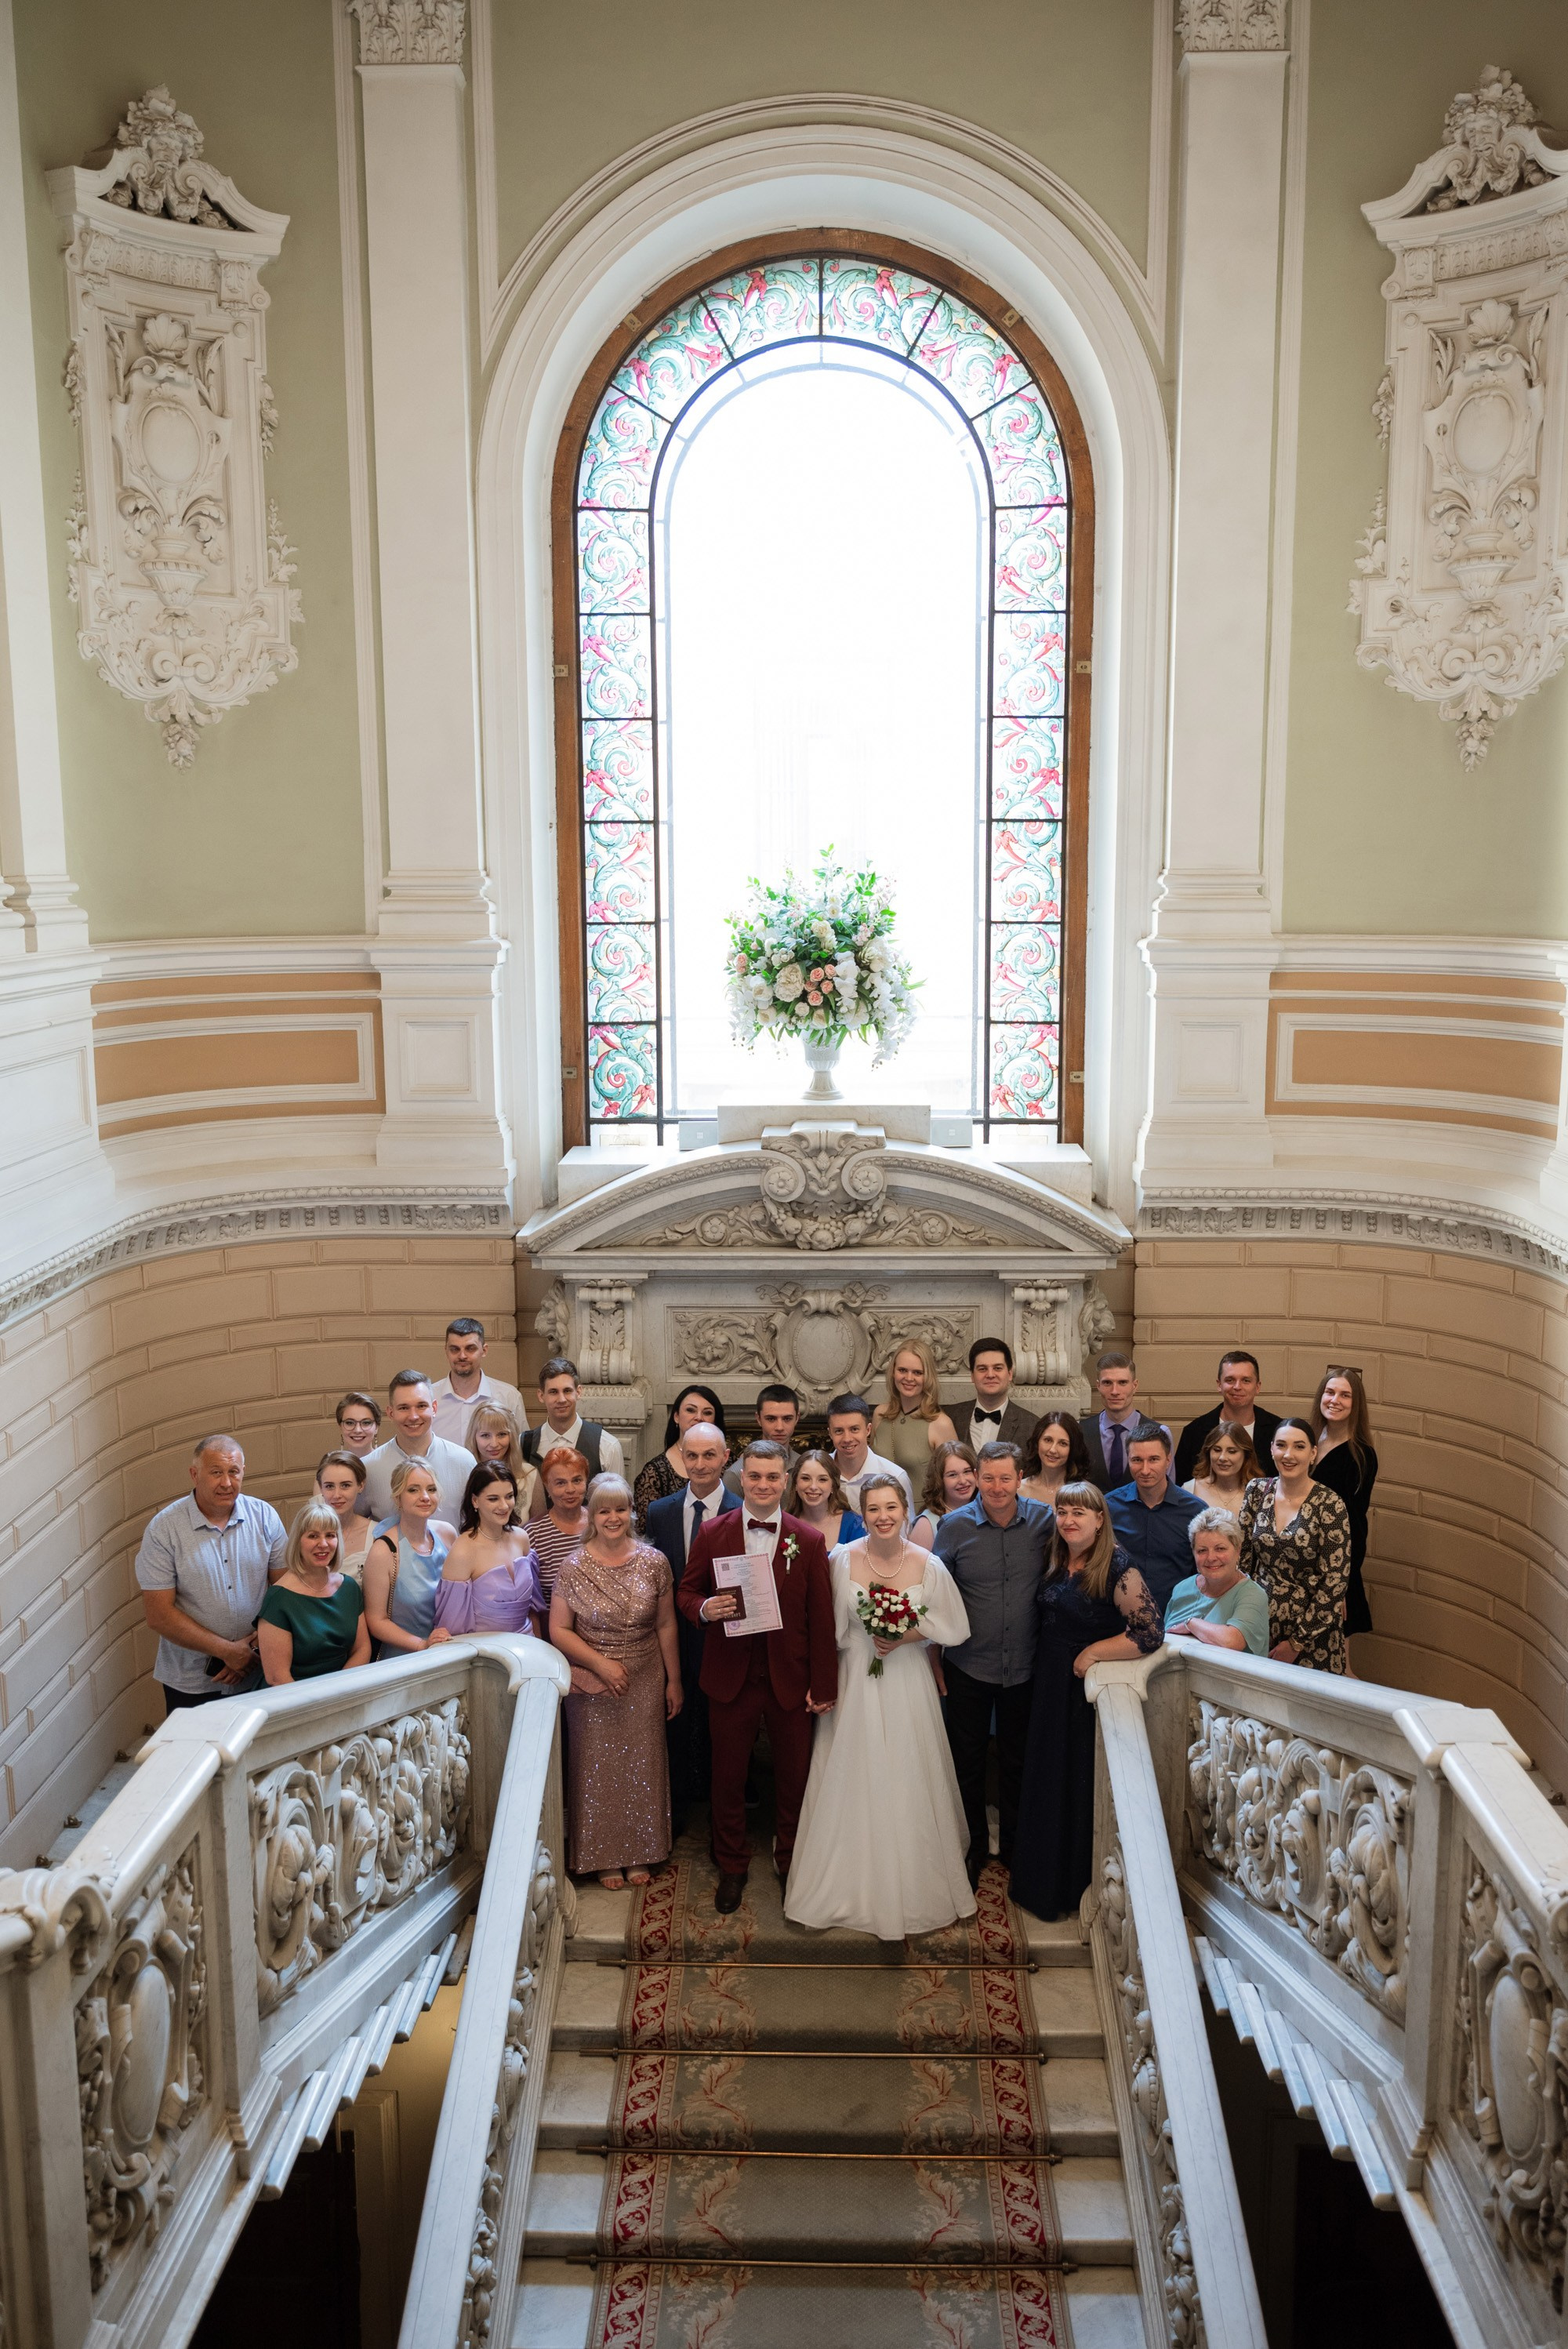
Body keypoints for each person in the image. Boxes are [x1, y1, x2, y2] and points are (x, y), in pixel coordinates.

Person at [786, 1475, 975, 1937]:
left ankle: (914, 1881)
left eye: (891, 1507)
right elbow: (826, 1628)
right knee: (854, 1771)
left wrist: (906, 1635)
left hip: (908, 1680)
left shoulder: (929, 1564)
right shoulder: (841, 1559)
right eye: (873, 1509)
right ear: (862, 1514)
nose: (883, 1517)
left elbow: (955, 1626)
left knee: (907, 1771)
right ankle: (845, 1881)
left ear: (905, 1510)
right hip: (855, 1679)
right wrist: (824, 1679)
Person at [679, 1440, 837, 1913]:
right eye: (755, 1476)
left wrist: (823, 1685)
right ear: (741, 1479)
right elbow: (686, 1592)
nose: (763, 1485)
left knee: (794, 1778)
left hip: (790, 1678)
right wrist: (705, 1608)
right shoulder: (713, 1532)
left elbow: (821, 1619)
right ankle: (732, 1863)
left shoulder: (808, 1541)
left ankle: (790, 1861)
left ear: (785, 1482)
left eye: (772, 1477)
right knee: (727, 1778)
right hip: (731, 1676)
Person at [1008, 1483, 1163, 1922]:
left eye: (1079, 1512)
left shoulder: (1117, 1564)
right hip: (1048, 1683)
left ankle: (1071, 1888)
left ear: (1099, 1519)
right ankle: (1039, 1884)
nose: (1069, 1520)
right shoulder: (1057, 1556)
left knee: (1073, 1783)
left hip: (1083, 1691)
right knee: (1046, 1778)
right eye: (1062, 1512)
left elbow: (1149, 1632)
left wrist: (1094, 1652)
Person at [551, 1476, 682, 1889]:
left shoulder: (654, 1561)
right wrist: (600, 1665)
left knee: (642, 1764)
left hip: (646, 1675)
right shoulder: (573, 1566)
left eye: (621, 1509)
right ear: (591, 1515)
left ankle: (641, 1851)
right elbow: (559, 1630)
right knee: (598, 1767)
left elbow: (666, 1624)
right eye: (604, 1510)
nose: (613, 1518)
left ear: (632, 1513)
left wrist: (674, 1681)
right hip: (592, 1681)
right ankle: (604, 1856)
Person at [932, 1442, 1053, 1886]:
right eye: (988, 1478)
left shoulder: (1045, 1522)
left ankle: (1019, 1849)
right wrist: (934, 1660)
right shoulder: (953, 1527)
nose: (997, 1487)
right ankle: (973, 1848)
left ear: (1020, 1478)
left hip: (1025, 1666)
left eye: (1005, 1478)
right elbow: (936, 1598)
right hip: (968, 1665)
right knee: (967, 1762)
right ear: (976, 1478)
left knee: (1018, 1762)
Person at [136, 1435, 286, 1712]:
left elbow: (286, 1594)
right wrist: (226, 1652)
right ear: (195, 1475)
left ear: (243, 1472)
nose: (226, 1483)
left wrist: (250, 1650)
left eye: (234, 1472)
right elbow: (159, 1614)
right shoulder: (164, 1530)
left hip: (258, 1672)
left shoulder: (265, 1516)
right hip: (191, 1683)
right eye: (216, 1472)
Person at [645, 1423, 741, 1836]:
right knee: (676, 1724)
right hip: (673, 1636)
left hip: (725, 1636)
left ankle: (724, 1820)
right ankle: (676, 1814)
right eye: (692, 1455)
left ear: (725, 1458)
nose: (700, 1464)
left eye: (709, 1455)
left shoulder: (742, 1510)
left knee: (724, 1731)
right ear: (682, 1458)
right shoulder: (660, 1512)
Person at [1239, 1419, 1352, 1675]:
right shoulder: (1256, 1491)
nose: (1288, 1454)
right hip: (1259, 1624)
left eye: (1299, 1447)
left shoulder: (1330, 1504)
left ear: (1313, 1453)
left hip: (1314, 1636)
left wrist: (1296, 1643)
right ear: (1271, 1449)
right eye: (1281, 1445)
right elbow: (1241, 1560)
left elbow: (1335, 1582)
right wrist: (1243, 1617)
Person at [257, 1501, 371, 1683]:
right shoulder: (278, 1599)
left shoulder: (349, 1587)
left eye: (330, 1535)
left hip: (344, 1687)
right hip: (293, 1694)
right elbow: (277, 1678)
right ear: (298, 1541)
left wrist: (339, 1690)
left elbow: (362, 1649)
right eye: (313, 1536)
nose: (323, 1544)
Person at [430, 1462, 543, 1639]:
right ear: (475, 1501)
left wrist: (539, 1644)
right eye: (493, 1499)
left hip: (528, 1641)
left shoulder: (522, 1538)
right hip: (483, 1649)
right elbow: (452, 1628)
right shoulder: (462, 1552)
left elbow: (533, 1608)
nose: (504, 1506)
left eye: (509, 1496)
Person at [1106, 1423, 1205, 1613]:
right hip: (1119, 1618)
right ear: (1128, 1459)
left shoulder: (1196, 1511)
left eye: (1153, 1459)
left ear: (1168, 1460)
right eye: (1137, 1460)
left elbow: (1203, 1573)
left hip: (1177, 1617)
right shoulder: (1109, 1507)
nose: (1145, 1470)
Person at [1310, 1366, 1377, 1639]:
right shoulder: (1308, 1440)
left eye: (1345, 1395)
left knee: (1337, 1659)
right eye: (1330, 1392)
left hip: (1334, 1569)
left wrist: (1341, 1586)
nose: (1335, 1400)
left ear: (1356, 1403)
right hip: (1301, 1560)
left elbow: (1355, 1526)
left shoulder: (1362, 1456)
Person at [362, 1460, 457, 1654]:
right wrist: (422, 1645)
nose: (425, 1497)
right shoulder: (383, 1551)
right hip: (406, 1656)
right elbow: (376, 1621)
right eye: (413, 1490)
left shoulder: (447, 1534)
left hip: (450, 1648)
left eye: (431, 1489)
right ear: (398, 1498)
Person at [361, 1371, 476, 1525]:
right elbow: (352, 1527)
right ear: (391, 1413)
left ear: (434, 1408)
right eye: (404, 1408)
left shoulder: (464, 1462)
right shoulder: (368, 1468)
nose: (413, 1416)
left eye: (421, 1406)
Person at [1163, 1510, 1269, 1655]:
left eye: (1220, 1549)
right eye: (1202, 1551)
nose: (1211, 1558)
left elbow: (1232, 1641)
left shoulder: (1254, 1595)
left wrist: (1191, 1624)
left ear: (1238, 1550)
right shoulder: (1182, 1588)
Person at [1173, 1351, 1284, 1487]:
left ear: (1257, 1387)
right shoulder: (1194, 1432)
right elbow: (1180, 1487)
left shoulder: (1279, 1431)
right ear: (1219, 1385)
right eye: (1230, 1380)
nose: (1237, 1387)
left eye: (1246, 1380)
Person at [521, 1356, 625, 1483]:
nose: (561, 1399)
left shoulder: (607, 1446)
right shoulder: (524, 1443)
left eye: (567, 1391)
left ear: (578, 1392)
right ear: (541, 1396)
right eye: (553, 1392)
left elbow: (618, 1495)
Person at [633, 1384, 727, 1525]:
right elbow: (646, 1531)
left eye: (707, 1413)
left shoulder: (731, 1463)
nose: (699, 1417)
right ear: (676, 1416)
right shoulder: (654, 1472)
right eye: (691, 1410)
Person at [870, 1342, 960, 1489]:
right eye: (902, 1370)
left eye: (918, 1372)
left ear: (928, 1376)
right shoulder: (880, 1414)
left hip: (924, 1504)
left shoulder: (941, 1424)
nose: (909, 1378)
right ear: (893, 1372)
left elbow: (955, 1484)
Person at [1081, 1353, 1172, 1492]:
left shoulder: (1161, 1433)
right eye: (1107, 1383)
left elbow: (1168, 1489)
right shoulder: (1080, 1431)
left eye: (1122, 1383)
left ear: (1135, 1386)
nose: (1115, 1391)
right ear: (1098, 1386)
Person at [431, 1316, 528, 1444]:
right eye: (455, 1349)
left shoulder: (509, 1397)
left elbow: (520, 1448)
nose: (462, 1356)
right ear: (446, 1351)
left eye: (470, 1348)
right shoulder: (429, 1397)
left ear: (484, 1350)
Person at [826, 1393, 913, 1513]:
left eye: (854, 1429)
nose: (847, 1439)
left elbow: (906, 1524)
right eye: (839, 1431)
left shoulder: (896, 1477)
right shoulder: (817, 1473)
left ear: (868, 1430)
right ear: (830, 1433)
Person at [528, 1446, 591, 1609]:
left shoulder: (600, 1522)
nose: (570, 1490)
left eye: (577, 1480)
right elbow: (528, 1600)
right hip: (549, 1621)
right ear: (547, 1487)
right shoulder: (532, 1533)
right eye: (561, 1483)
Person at [956, 1337, 1038, 1454]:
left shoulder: (1032, 1425)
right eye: (982, 1369)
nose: (990, 1375)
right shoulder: (950, 1418)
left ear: (1010, 1374)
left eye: (998, 1368)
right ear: (972, 1376)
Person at [464, 1401, 540, 1519]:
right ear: (474, 1437)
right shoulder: (463, 1475)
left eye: (502, 1434)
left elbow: (539, 1527)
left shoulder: (529, 1475)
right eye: (485, 1435)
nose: (494, 1444)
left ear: (512, 1436)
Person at [722, 1384, 801, 1494]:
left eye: (787, 1419)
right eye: (771, 1419)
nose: (779, 1427)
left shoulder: (804, 1468)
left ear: (797, 1418)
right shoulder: (735, 1474)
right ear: (758, 1419)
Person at [785, 1450, 866, 1550]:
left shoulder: (854, 1525)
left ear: (833, 1486)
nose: (813, 1487)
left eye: (822, 1480)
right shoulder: (783, 1523)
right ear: (795, 1484)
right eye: (806, 1478)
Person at [314, 1449, 376, 1578]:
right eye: (329, 1486)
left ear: (361, 1486)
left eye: (345, 1485)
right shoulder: (307, 1535)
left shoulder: (376, 1534)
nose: (337, 1495)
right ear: (321, 1488)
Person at [910, 1441, 979, 1550]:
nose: (962, 1481)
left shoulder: (987, 1511)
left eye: (967, 1472)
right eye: (953, 1475)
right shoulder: (927, 1524)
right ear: (939, 1480)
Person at [1182, 1422, 1260, 1515]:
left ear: (1246, 1455)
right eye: (1217, 1450)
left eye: (1232, 1451)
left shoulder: (1259, 1494)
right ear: (1208, 1452)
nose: (1222, 1458)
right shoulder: (1189, 1490)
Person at [1021, 1410, 1090, 1508]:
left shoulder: (1086, 1494)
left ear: (1073, 1449)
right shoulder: (1018, 1490)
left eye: (1063, 1443)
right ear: (1037, 1443)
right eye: (1048, 1440)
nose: (1053, 1450)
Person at [335, 1392, 383, 1460]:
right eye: (350, 1423)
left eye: (366, 1423)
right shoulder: (330, 1466)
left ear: (376, 1427)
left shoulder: (389, 1465)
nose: (358, 1430)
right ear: (340, 1427)